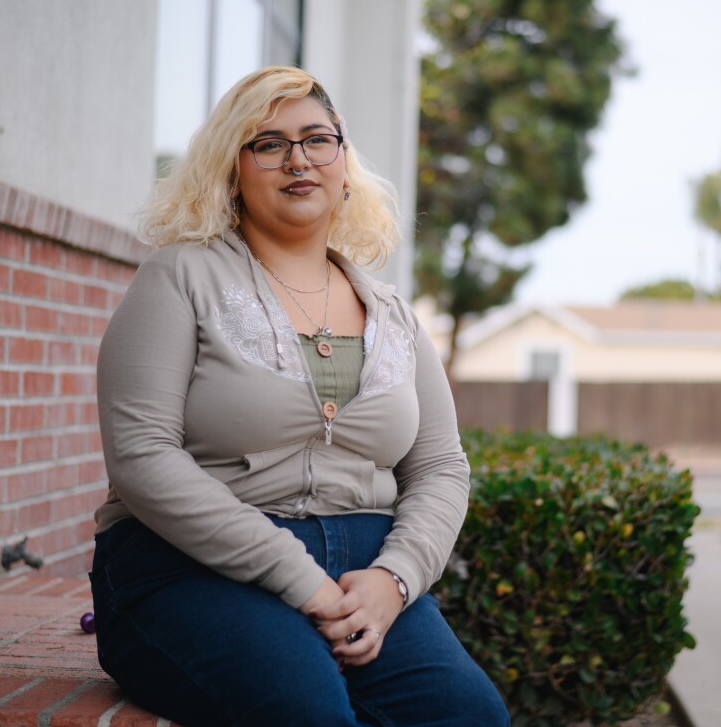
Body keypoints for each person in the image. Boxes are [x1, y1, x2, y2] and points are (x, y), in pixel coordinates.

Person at [89, 66, 510, 727]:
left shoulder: (392, 311)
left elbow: (439, 465)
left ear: (344, 163)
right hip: (191, 567)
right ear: (233, 169)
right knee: (306, 711)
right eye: (268, 143)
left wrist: (395, 580)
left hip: (364, 575)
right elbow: (141, 456)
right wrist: (300, 576)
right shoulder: (180, 278)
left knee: (469, 715)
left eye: (318, 138)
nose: (298, 160)